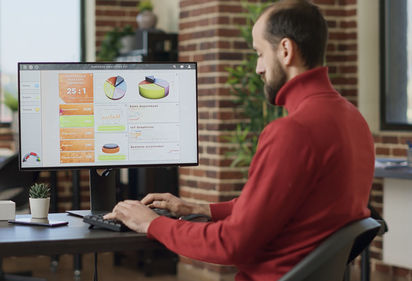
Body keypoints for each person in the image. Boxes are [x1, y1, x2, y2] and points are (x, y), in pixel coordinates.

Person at [104, 0, 375, 280]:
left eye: (259, 53)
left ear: (285, 50)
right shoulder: (353, 120)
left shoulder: (293, 132)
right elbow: (277, 206)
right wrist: (197, 208)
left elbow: (230, 244)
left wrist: (152, 224)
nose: (258, 68)